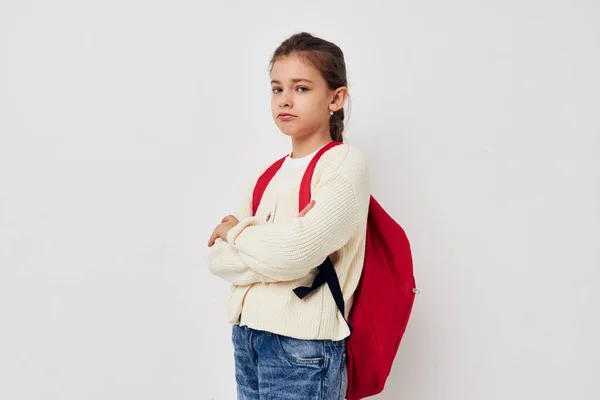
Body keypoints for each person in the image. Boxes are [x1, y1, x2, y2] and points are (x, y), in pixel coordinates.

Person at [207, 32, 371, 400]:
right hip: (247, 337)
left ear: (336, 98)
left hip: (303, 350)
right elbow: (217, 259)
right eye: (277, 89)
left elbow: (293, 253)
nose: (285, 100)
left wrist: (239, 236)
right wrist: (279, 251)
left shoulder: (343, 165)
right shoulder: (268, 175)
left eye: (301, 88)